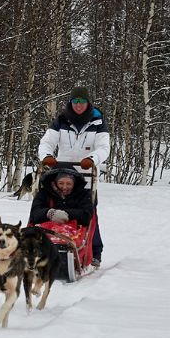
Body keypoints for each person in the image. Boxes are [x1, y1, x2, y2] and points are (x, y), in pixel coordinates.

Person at [37, 86, 108, 265]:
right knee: (53, 209)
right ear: (70, 102)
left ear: (87, 103)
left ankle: (94, 251)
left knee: (88, 213)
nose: (78, 105)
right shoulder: (61, 121)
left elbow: (104, 148)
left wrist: (92, 159)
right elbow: (47, 142)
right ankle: (50, 242)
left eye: (82, 101)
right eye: (75, 101)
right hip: (61, 175)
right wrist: (46, 156)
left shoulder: (98, 123)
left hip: (85, 175)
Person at [27, 166, 94, 231]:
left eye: (69, 184)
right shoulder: (44, 193)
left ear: (74, 183)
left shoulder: (83, 194)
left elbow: (87, 215)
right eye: (61, 183)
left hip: (75, 231)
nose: (64, 187)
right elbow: (34, 214)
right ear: (55, 182)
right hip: (44, 230)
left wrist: (67, 214)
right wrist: (50, 213)